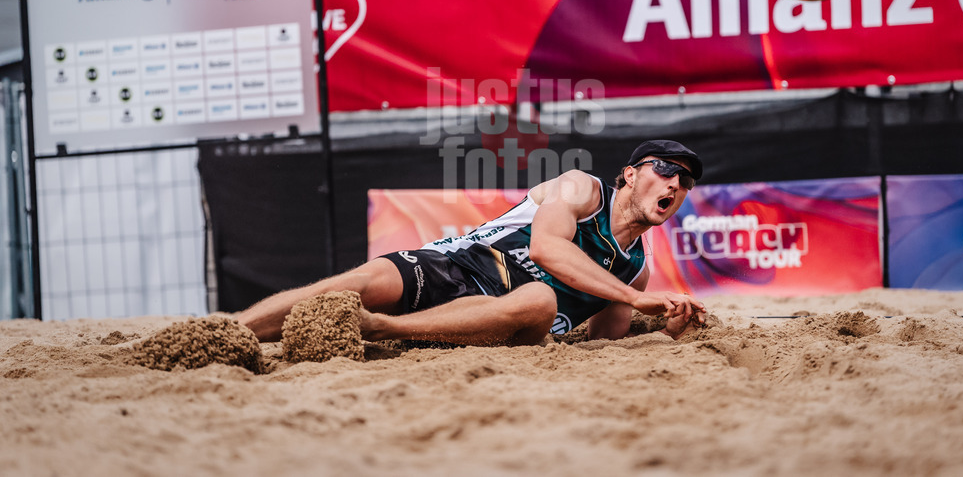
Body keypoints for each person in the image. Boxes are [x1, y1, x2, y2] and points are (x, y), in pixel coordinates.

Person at [237, 140, 708, 346]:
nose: (674, 184)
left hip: (494, 327)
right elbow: (546, 248)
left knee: (539, 299)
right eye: (664, 169)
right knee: (363, 280)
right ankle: (234, 330)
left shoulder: (636, 268)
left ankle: (382, 330)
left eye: (684, 182)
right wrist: (635, 297)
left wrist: (668, 329)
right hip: (455, 267)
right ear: (629, 174)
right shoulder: (582, 188)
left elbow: (605, 343)